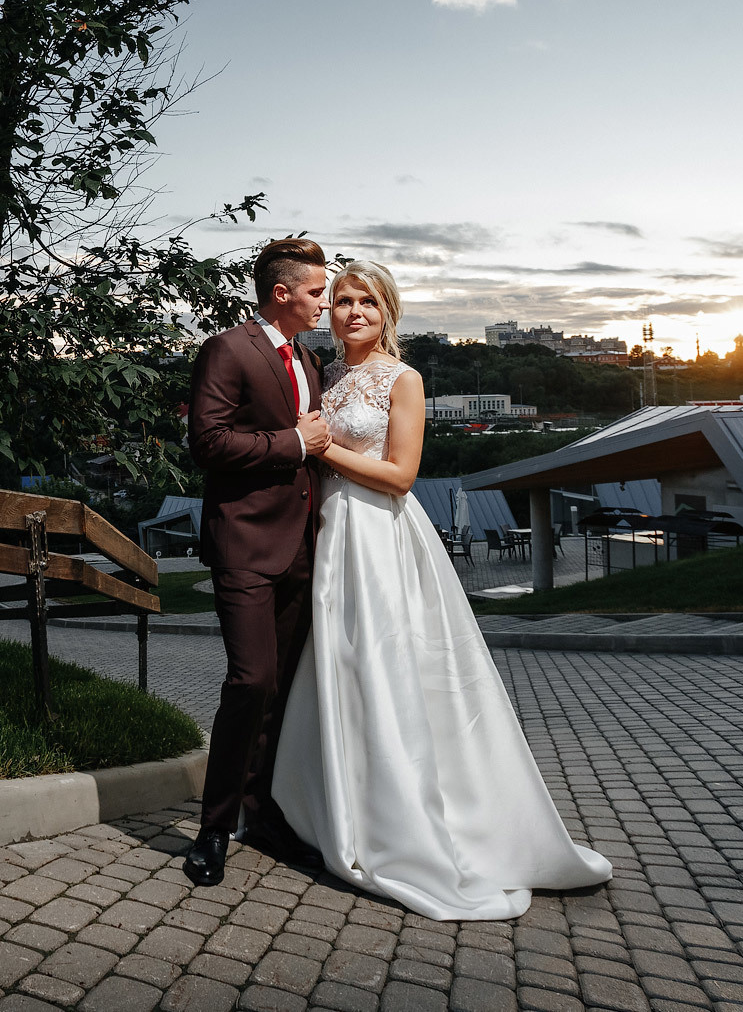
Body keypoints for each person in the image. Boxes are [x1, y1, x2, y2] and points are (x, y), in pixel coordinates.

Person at [271, 260, 612, 920]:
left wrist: (317, 449)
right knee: (337, 670)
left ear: (387, 311)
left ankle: (405, 821)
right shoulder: (325, 376)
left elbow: (400, 475)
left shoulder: (406, 379)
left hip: (378, 541)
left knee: (385, 666)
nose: (353, 311)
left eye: (367, 300)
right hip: (328, 540)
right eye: (341, 300)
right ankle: (338, 807)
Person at [181, 237, 334, 887]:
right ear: (283, 293)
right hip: (244, 545)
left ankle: (260, 815)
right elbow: (208, 441)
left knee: (278, 690)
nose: (325, 302)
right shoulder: (228, 348)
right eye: (318, 291)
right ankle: (213, 830)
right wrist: (293, 440)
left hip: (300, 548)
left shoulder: (308, 356)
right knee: (249, 682)